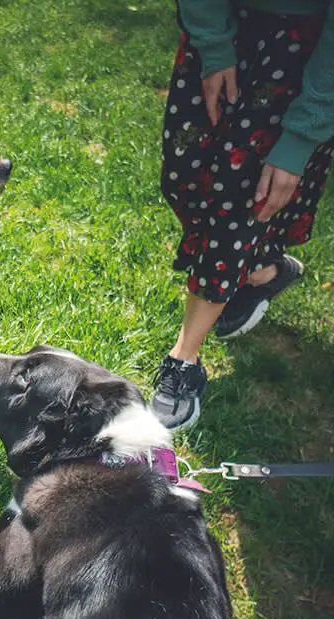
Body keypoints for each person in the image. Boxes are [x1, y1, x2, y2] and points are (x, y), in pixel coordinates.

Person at [152, 0, 334, 430]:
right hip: (221, 24)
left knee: (239, 203)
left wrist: (302, 136)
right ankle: (262, 271)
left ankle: (184, 360)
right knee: (182, 176)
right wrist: (214, 46)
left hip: (304, 51)